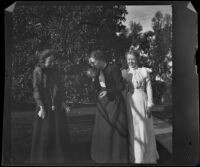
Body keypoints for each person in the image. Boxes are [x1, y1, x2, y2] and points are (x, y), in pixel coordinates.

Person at [88, 50, 130, 163]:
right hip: (103, 103)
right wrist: (94, 78)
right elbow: (96, 88)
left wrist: (108, 92)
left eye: (93, 62)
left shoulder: (113, 68)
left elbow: (121, 86)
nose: (92, 65)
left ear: (100, 59)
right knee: (103, 130)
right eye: (91, 63)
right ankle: (103, 156)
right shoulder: (98, 71)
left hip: (114, 103)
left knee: (113, 130)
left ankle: (116, 157)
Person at [30, 49, 71, 164]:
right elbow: (36, 89)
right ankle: (43, 157)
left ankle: (58, 157)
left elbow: (61, 86)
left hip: (57, 104)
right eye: (50, 61)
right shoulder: (38, 71)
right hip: (44, 105)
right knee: (45, 132)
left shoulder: (56, 70)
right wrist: (41, 107)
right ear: (43, 61)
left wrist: (63, 101)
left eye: (54, 61)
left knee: (58, 131)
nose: (53, 64)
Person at [122, 50, 159, 164]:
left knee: (144, 128)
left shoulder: (144, 71)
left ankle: (148, 157)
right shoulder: (124, 72)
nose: (130, 61)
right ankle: (137, 158)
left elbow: (149, 88)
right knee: (134, 129)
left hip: (143, 100)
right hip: (130, 102)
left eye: (132, 59)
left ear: (137, 59)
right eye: (128, 59)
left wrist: (150, 104)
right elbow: (122, 90)